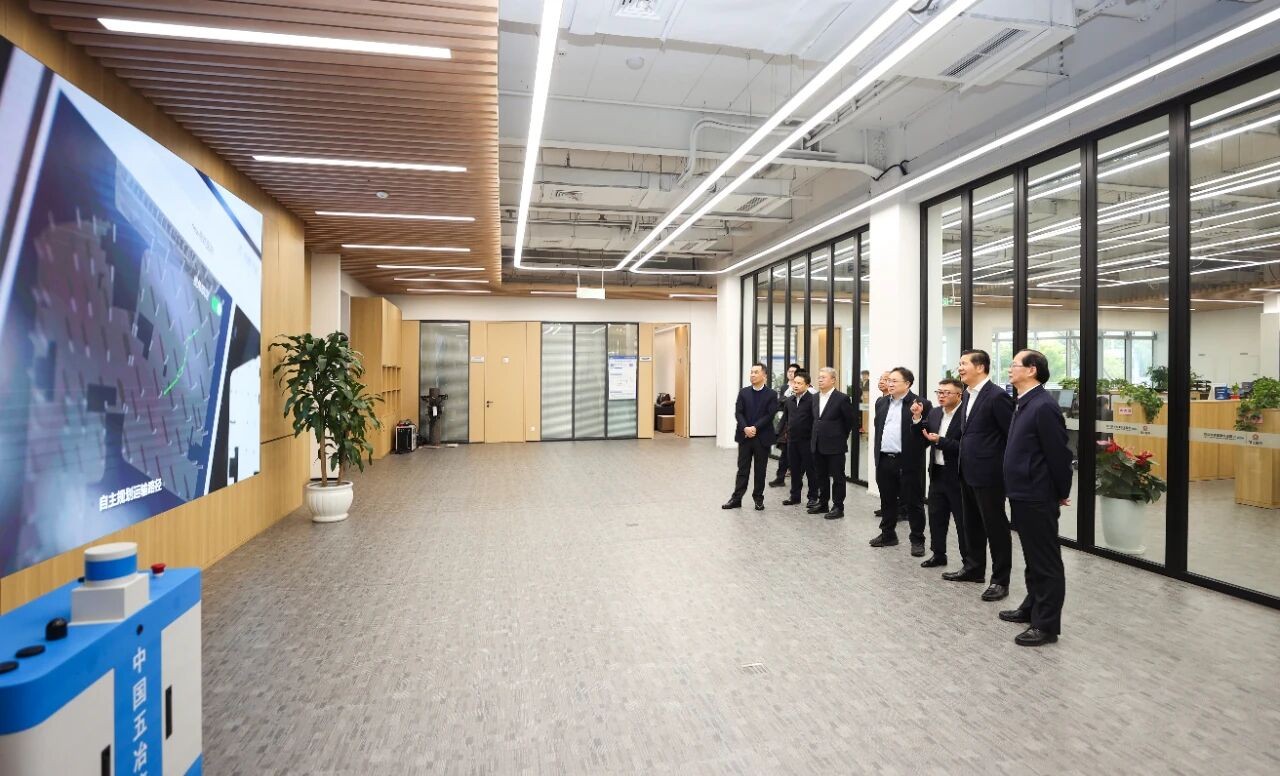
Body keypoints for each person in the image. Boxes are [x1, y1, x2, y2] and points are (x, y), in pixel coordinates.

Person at [1000, 350, 1074, 646]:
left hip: (1036, 494)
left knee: (1045, 561)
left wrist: (1061, 491)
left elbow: (1059, 453)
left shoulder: (1043, 406)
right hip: (1022, 491)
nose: (1009, 369)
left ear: (1031, 370)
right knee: (1032, 557)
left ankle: (1046, 625)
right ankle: (1032, 606)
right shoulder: (1024, 402)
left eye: (1014, 365)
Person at [943, 349, 1016, 603]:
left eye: (964, 364)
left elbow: (1010, 436)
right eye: (959, 363)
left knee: (995, 527)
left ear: (980, 367)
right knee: (971, 523)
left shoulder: (997, 396)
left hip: (989, 474)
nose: (960, 368)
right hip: (967, 470)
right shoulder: (967, 394)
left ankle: (1000, 580)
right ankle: (974, 568)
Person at [870, 367, 930, 554]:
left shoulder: (920, 403)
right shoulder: (881, 402)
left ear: (907, 384)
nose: (889, 384)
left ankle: (917, 540)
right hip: (884, 460)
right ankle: (888, 535)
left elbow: (925, 437)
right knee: (887, 500)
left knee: (913, 503)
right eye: (889, 380)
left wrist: (917, 418)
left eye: (894, 381)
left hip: (908, 462)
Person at [919, 378, 967, 569]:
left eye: (947, 392)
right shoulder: (935, 412)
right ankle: (938, 554)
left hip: (958, 475)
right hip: (937, 473)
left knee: (963, 521)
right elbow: (924, 439)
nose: (941, 396)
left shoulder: (966, 415)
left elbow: (966, 447)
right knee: (936, 517)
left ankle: (968, 561)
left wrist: (941, 441)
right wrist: (917, 419)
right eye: (939, 392)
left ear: (959, 395)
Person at [724, 363, 778, 511]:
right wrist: (745, 428)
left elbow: (770, 414)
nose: (752, 375)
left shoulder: (771, 394)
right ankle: (736, 499)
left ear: (764, 375)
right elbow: (738, 412)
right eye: (751, 372)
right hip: (745, 437)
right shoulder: (744, 392)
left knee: (760, 470)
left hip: (762, 438)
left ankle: (758, 498)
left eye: (756, 372)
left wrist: (755, 427)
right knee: (742, 469)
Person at [809, 367, 855, 519]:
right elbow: (814, 419)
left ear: (833, 380)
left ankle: (838, 507)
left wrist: (840, 436)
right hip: (817, 443)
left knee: (838, 477)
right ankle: (823, 503)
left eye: (824, 377)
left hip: (835, 445)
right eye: (819, 377)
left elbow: (849, 421)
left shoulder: (842, 398)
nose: (820, 379)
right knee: (821, 476)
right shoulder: (815, 397)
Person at [780, 371, 818, 508]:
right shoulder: (789, 401)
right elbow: (786, 419)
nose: (795, 385)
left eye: (799, 383)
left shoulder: (813, 400)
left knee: (811, 471)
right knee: (795, 470)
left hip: (807, 441)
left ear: (807, 385)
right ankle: (795, 496)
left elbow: (816, 421)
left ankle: (813, 497)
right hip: (792, 441)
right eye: (794, 383)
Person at [769, 364, 801, 487]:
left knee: (800, 454)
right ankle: (780, 478)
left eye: (793, 371)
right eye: (789, 371)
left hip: (800, 426)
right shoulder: (784, 387)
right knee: (784, 453)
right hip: (787, 424)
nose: (791, 373)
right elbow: (780, 403)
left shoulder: (807, 389)